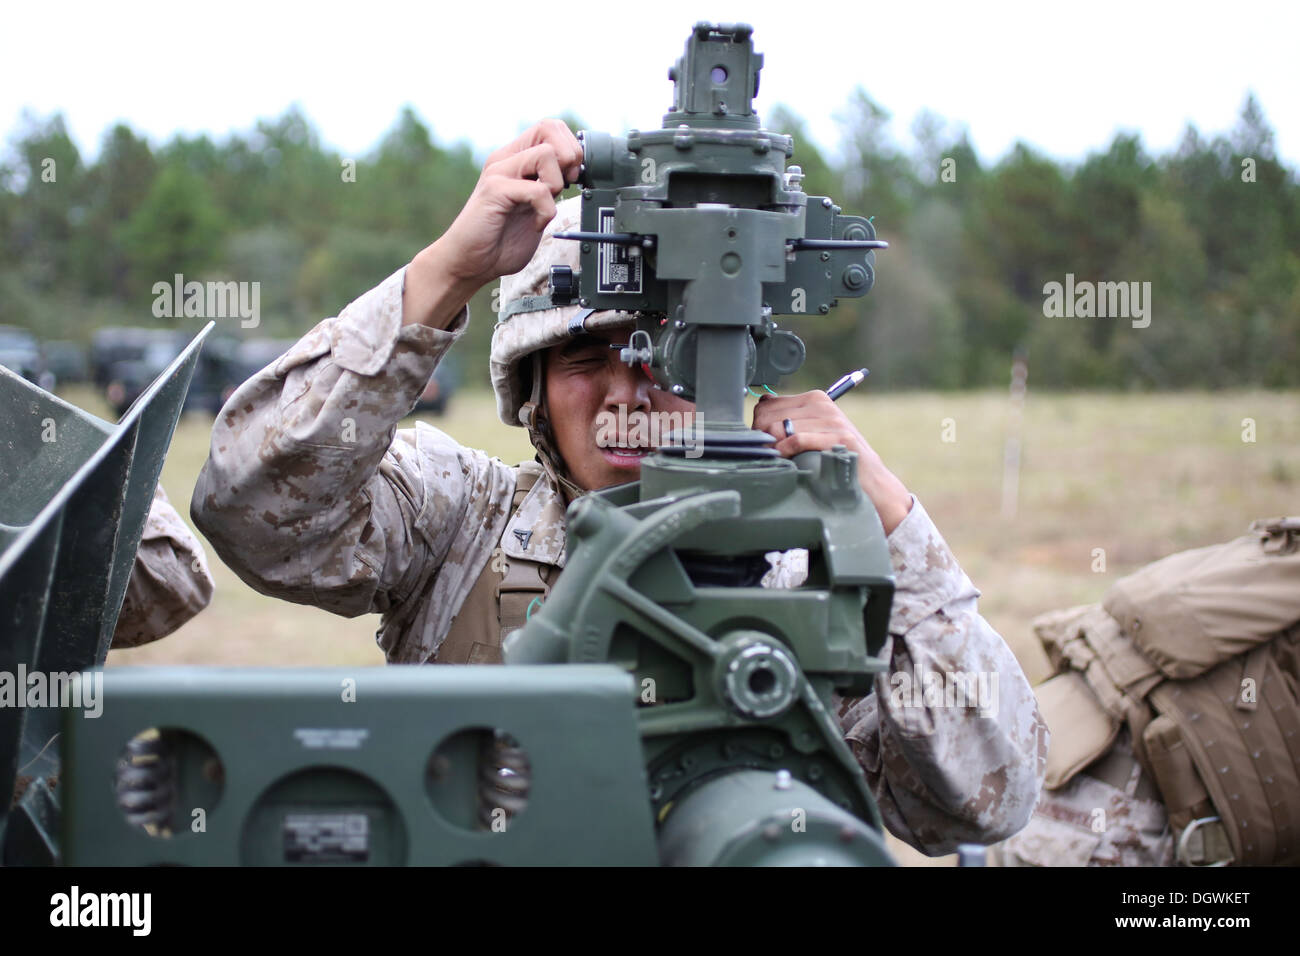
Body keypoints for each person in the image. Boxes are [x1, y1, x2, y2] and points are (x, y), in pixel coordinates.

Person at [191, 119, 1047, 856]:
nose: (626, 393)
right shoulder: (459, 521)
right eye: (584, 358)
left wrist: (890, 520)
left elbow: (983, 800)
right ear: (532, 392)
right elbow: (249, 506)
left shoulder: (796, 583)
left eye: (661, 355)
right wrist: (447, 272)